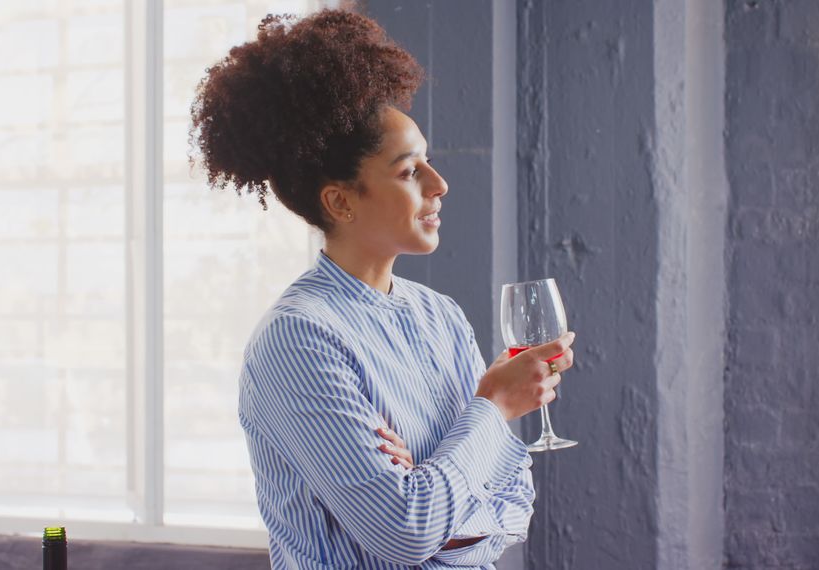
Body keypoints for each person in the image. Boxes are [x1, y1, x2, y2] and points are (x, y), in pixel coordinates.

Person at [190, 8, 576, 569]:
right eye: (407, 171)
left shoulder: (440, 316)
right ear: (340, 201)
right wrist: (491, 408)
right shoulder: (298, 341)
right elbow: (406, 534)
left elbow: (516, 503)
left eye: (430, 163)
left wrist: (429, 480)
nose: (439, 185)